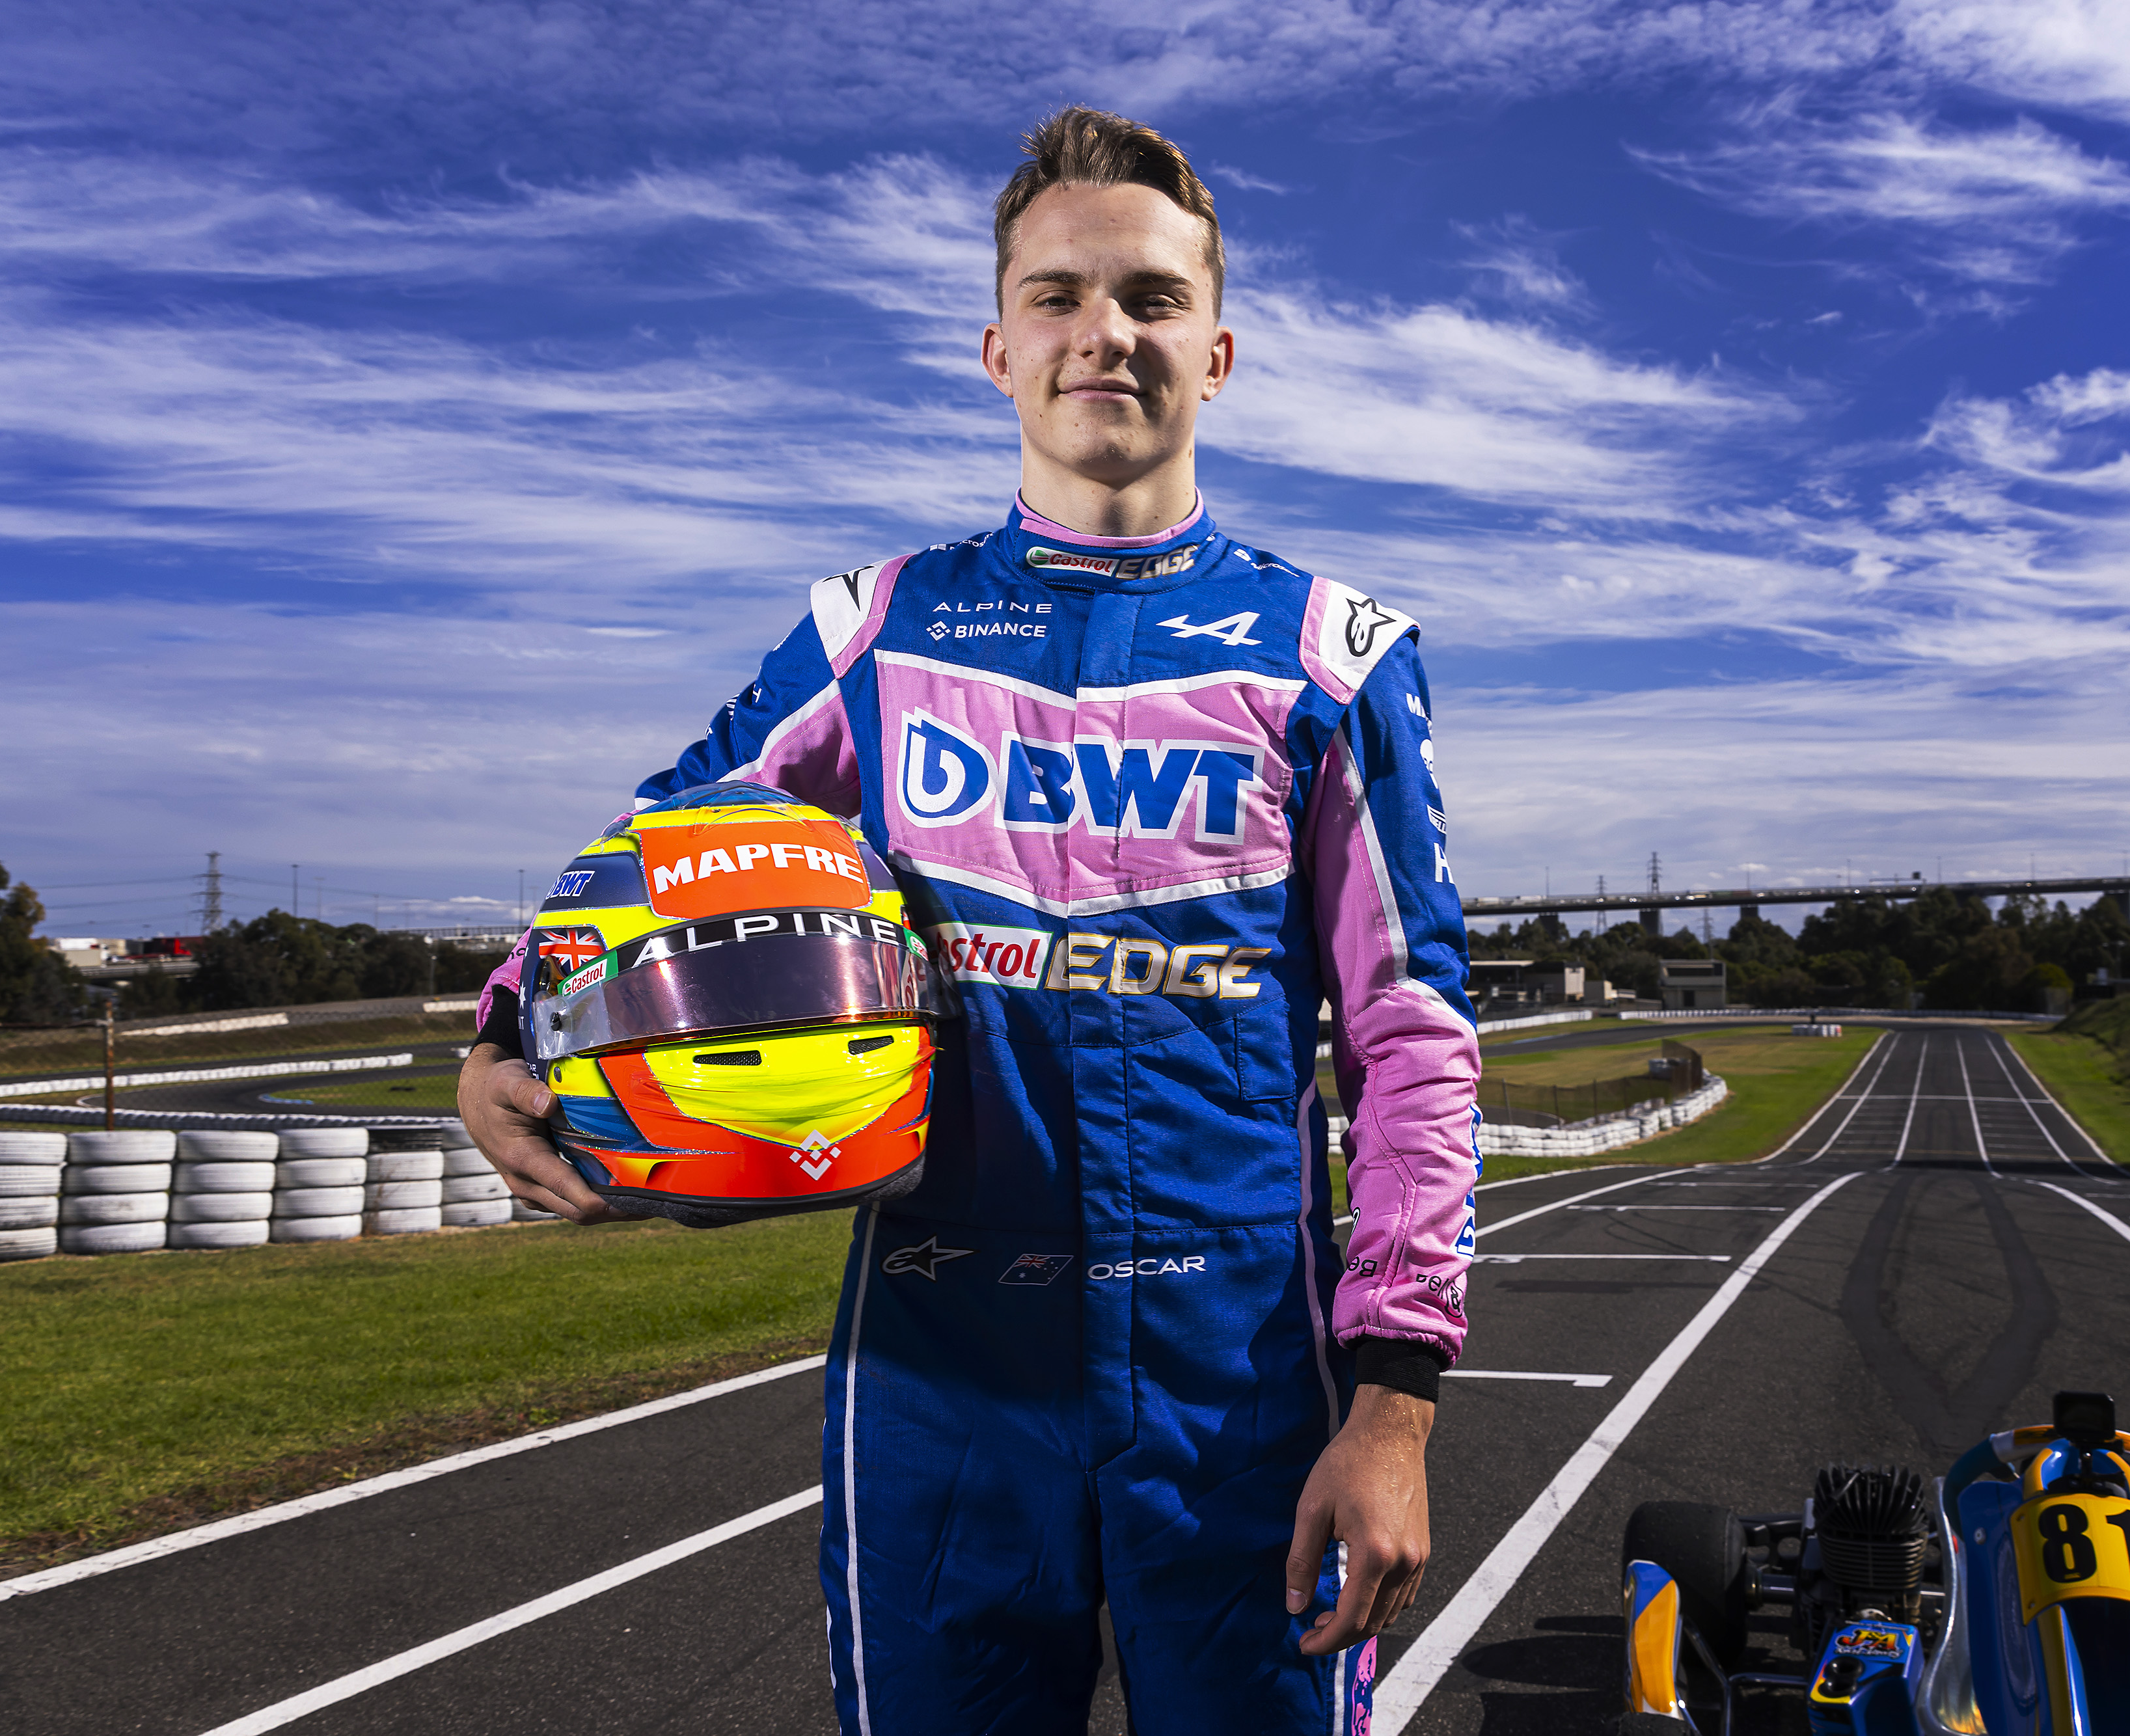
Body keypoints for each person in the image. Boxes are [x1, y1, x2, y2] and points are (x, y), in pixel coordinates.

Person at [459, 106, 1482, 1735]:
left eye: (1149, 299)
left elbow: (1414, 1033)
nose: (1104, 333)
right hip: (937, 1364)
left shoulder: (1335, 654)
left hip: (1241, 1377)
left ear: (1213, 355)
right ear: (994, 345)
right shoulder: (877, 626)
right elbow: (660, 838)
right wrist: (506, 1026)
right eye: (1059, 295)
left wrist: (1396, 1406)